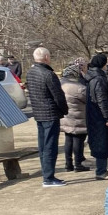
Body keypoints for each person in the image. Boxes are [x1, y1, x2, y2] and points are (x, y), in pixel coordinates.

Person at [26, 47, 69, 187]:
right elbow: (58, 95)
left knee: (43, 146)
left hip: (39, 113)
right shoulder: (48, 74)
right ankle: (48, 177)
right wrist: (64, 109)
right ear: (46, 57)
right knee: (50, 146)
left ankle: (47, 174)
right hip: (50, 113)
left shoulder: (31, 72)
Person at [86, 53, 108, 179]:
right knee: (102, 142)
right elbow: (101, 99)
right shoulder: (98, 79)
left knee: (101, 142)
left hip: (95, 115)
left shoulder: (93, 76)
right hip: (99, 116)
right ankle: (101, 171)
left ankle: (102, 169)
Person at [60, 58, 90, 172]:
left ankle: (68, 164)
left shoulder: (60, 84)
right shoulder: (79, 88)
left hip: (66, 117)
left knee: (68, 139)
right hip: (78, 117)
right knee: (78, 141)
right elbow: (88, 100)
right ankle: (78, 164)